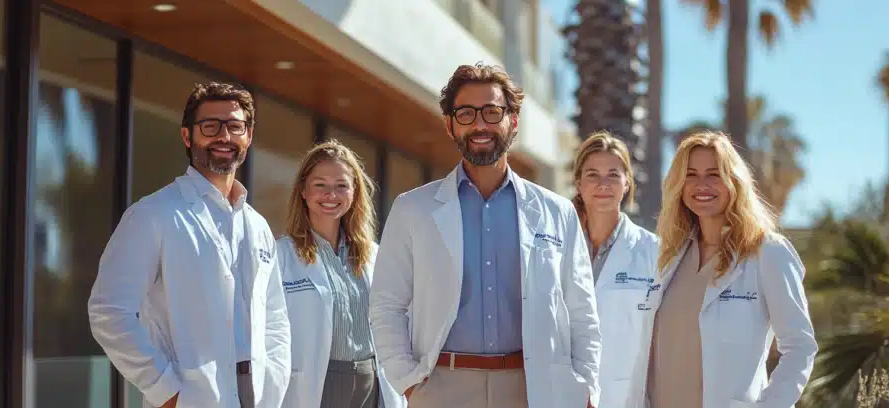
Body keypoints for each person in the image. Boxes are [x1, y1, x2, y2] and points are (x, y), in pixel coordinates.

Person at [368, 62, 601, 408]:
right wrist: (409, 383)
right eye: (466, 113)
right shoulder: (412, 209)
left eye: (492, 112)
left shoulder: (557, 213)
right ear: (450, 125)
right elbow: (386, 305)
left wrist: (585, 389)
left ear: (513, 121)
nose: (479, 124)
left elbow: (582, 312)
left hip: (533, 388)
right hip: (442, 389)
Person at [87, 82, 291, 408]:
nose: (224, 136)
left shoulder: (258, 226)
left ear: (248, 137)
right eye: (210, 126)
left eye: (235, 127)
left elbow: (276, 319)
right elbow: (108, 312)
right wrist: (167, 392)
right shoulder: (154, 215)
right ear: (187, 136)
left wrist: (275, 384)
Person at [624, 131, 818, 408]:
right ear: (679, 185)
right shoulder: (670, 256)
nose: (701, 184)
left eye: (714, 174)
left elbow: (800, 348)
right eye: (690, 175)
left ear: (734, 182)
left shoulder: (768, 252)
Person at [275, 140, 404, 408]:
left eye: (341, 185)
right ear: (302, 190)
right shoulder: (282, 257)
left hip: (372, 384)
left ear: (355, 191)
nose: (330, 194)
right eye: (320, 185)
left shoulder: (375, 255)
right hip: (318, 385)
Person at [570, 131, 660, 408]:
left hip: (624, 398)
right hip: (566, 392)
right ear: (579, 183)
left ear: (627, 183)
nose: (603, 184)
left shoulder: (653, 253)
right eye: (593, 175)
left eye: (613, 174)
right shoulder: (556, 248)